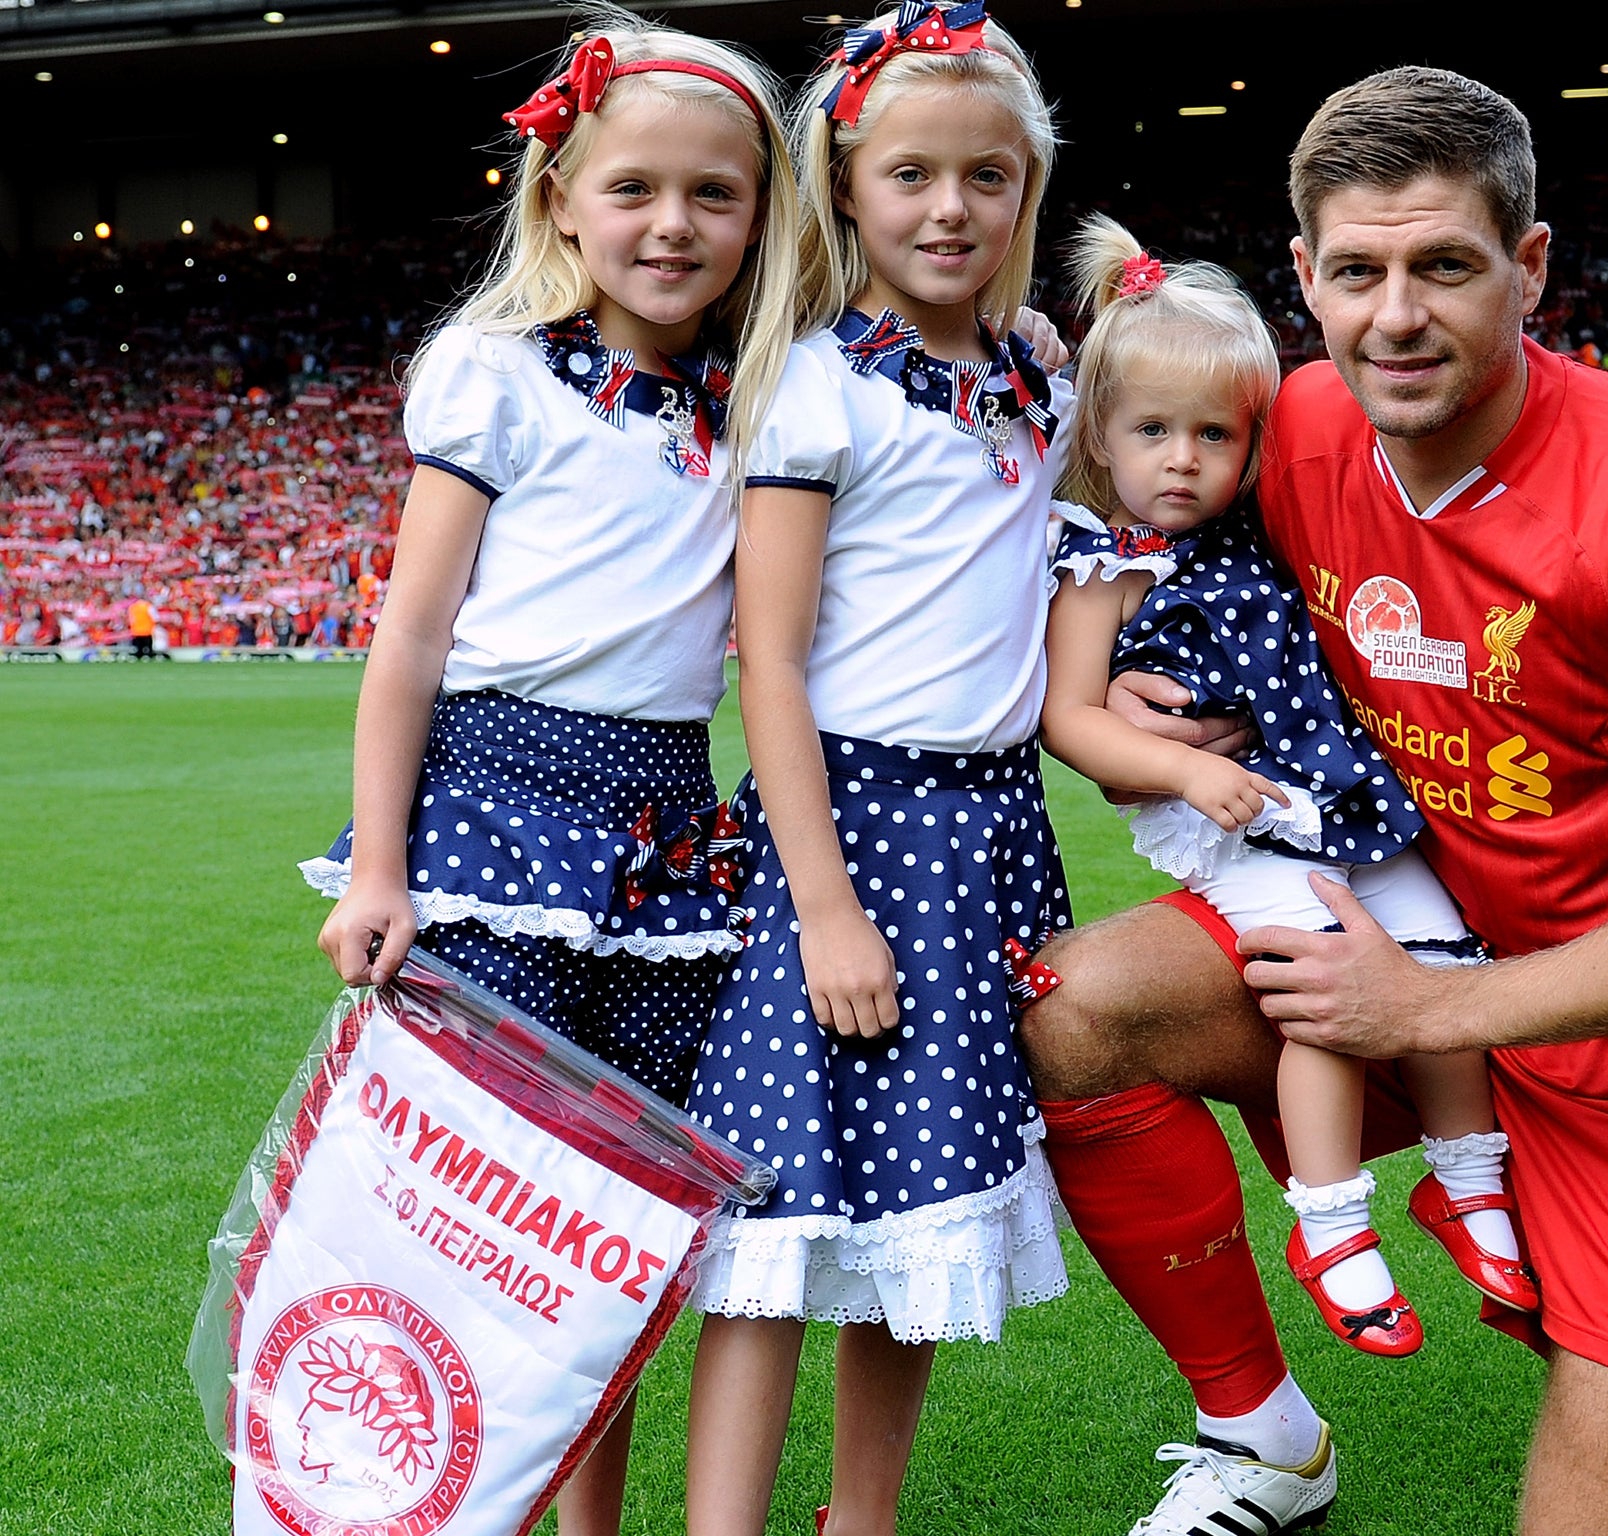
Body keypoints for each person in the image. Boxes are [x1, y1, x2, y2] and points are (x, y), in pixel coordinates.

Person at [1019, 67, 1608, 1536]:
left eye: (1445, 266)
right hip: (1377, 931)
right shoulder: (1296, 428)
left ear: (1528, 268)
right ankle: (1263, 1443)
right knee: (1072, 1008)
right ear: (1305, 279)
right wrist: (1135, 698)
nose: (1397, 314)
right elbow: (1121, 498)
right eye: (1357, 271)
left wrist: (1422, 1013)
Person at [298, 19, 801, 1534]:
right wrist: (381, 864)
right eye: (633, 187)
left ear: (762, 220)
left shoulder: (765, 398)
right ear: (560, 199)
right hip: (496, 818)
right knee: (482, 1221)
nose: (672, 224)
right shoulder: (498, 376)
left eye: (715, 195)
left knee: (615, 1226)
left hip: (658, 830)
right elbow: (409, 642)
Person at [678, 8, 1070, 1533]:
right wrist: (825, 906)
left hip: (988, 836)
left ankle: (866, 1515)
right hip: (844, 828)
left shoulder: (1038, 369)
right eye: (911, 173)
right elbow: (766, 659)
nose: (950, 207)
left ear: (1027, 188)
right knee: (776, 1207)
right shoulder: (818, 386)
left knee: (921, 1200)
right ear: (846, 186)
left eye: (987, 173)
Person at [1039, 216, 1534, 1360]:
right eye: (1151, 431)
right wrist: (1181, 763)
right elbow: (1067, 720)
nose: (1181, 460)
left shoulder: (1255, 533)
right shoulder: (1099, 567)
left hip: (1331, 789)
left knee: (1441, 957)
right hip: (1230, 814)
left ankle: (1471, 1183)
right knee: (1325, 976)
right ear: (1099, 439)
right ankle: (1328, 1222)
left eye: (1213, 435)